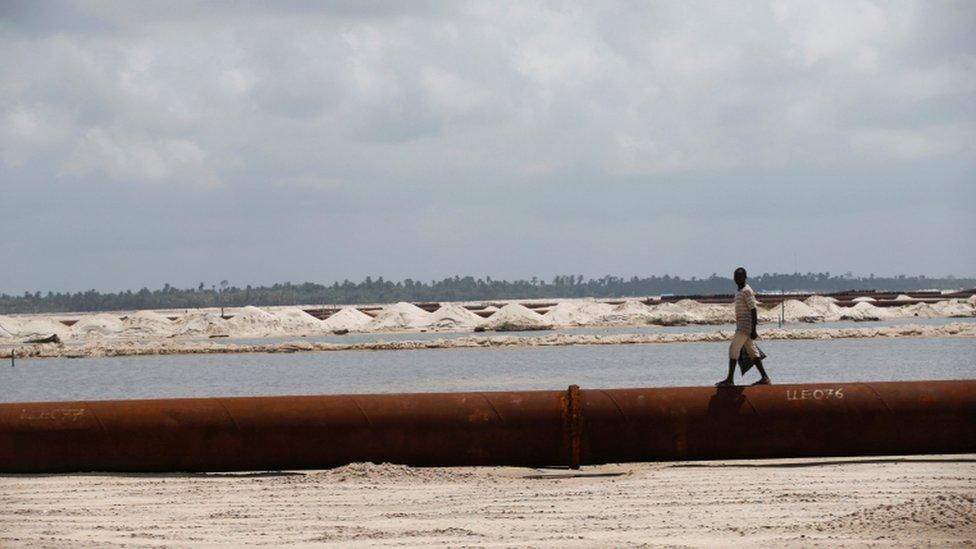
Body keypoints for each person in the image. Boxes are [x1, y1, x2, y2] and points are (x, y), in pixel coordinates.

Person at [716, 267, 771, 387]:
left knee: (733, 349)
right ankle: (765, 378)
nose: (737, 279)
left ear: (745, 277)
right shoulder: (739, 291)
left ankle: (730, 379)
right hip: (741, 325)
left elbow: (753, 310)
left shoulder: (747, 291)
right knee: (752, 351)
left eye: (739, 276)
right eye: (735, 276)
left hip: (745, 326)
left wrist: (754, 329)